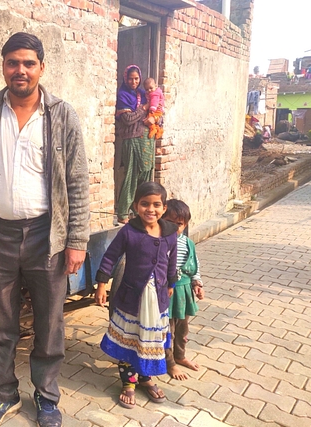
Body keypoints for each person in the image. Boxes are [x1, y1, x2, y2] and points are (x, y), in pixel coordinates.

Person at [0, 32, 90, 427]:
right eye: (13, 62)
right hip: (0, 236)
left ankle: (46, 398)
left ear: (42, 67)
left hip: (48, 237)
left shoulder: (62, 115)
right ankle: (2, 394)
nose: (20, 70)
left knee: (49, 322)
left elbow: (77, 181)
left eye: (28, 63)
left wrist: (76, 241)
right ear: (3, 66)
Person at [94, 181, 177, 409]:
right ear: (135, 205)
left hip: (157, 300)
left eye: (156, 205)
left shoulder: (170, 233)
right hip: (132, 299)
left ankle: (146, 378)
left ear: (164, 207)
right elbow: (110, 257)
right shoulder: (129, 232)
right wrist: (102, 284)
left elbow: (171, 260)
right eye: (144, 204)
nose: (150, 210)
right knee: (130, 340)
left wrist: (171, 283)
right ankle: (128, 383)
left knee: (149, 340)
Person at [162, 199, 205, 380]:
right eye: (169, 223)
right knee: (167, 329)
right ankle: (169, 362)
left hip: (184, 292)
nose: (174, 228)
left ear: (185, 224)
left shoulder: (188, 244)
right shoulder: (160, 242)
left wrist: (197, 284)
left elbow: (194, 266)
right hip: (166, 292)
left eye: (179, 224)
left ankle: (180, 356)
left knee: (182, 328)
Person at [114, 65, 155, 224]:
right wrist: (143, 108)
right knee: (131, 174)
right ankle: (123, 212)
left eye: (136, 79)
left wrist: (155, 119)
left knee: (145, 174)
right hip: (131, 140)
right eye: (130, 78)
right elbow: (127, 120)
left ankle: (138, 210)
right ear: (125, 78)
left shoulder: (146, 93)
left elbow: (158, 112)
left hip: (147, 140)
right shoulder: (123, 95)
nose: (133, 82)